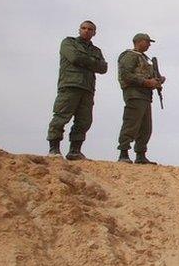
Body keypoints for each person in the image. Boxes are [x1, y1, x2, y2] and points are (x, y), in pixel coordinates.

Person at [47, 20, 108, 160]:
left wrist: (85, 61)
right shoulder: (69, 42)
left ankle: (75, 151)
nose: (86, 30)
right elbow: (74, 57)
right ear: (79, 29)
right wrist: (92, 62)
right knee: (61, 116)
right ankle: (54, 149)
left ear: (94, 33)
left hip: (87, 88)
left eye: (90, 29)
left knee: (84, 120)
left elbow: (103, 68)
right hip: (70, 85)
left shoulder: (95, 50)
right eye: (84, 28)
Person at [116, 33, 164, 164]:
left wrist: (157, 81)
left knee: (145, 127)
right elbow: (126, 75)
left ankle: (140, 154)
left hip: (145, 96)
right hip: (134, 94)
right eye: (147, 42)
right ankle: (123, 153)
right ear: (139, 42)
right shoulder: (130, 55)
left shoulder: (144, 58)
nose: (149, 45)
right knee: (131, 123)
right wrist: (145, 82)